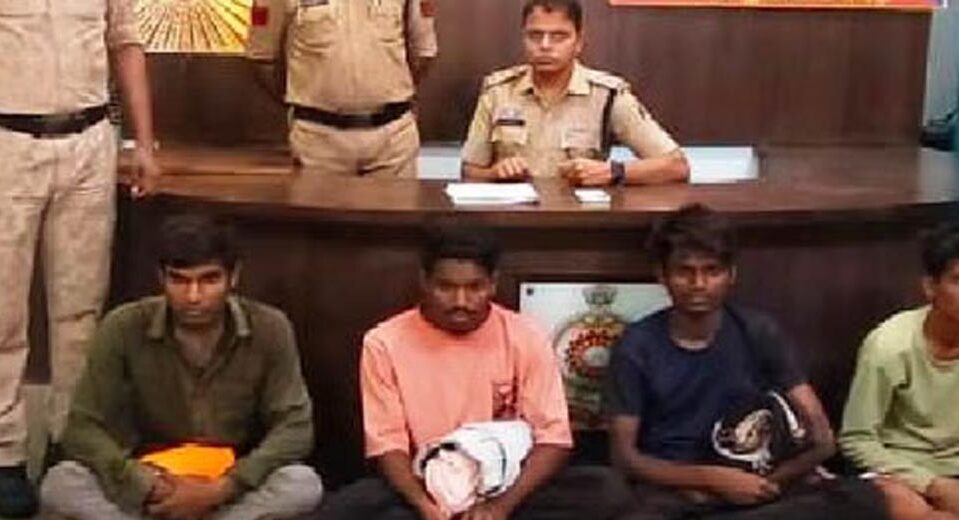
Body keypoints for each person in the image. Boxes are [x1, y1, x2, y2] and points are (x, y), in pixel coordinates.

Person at [323, 225, 631, 519]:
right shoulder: (383, 342)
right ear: (424, 282)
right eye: (446, 287)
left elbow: (554, 439)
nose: (461, 302)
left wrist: (500, 507)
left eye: (474, 287)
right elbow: (388, 445)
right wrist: (425, 506)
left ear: (493, 283)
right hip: (426, 484)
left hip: (505, 487)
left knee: (606, 490)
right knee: (350, 507)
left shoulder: (526, 335)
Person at [607, 204, 887, 519]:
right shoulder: (636, 346)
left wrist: (763, 485)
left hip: (758, 488)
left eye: (712, 271)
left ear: (731, 275)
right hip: (675, 492)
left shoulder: (758, 331)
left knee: (864, 499)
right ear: (662, 275)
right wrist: (710, 479)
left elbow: (823, 441)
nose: (699, 283)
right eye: (684, 271)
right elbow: (625, 458)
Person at [38, 214, 323, 520]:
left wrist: (224, 488)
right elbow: (82, 427)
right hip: (147, 480)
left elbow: (295, 427)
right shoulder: (123, 325)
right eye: (179, 280)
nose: (193, 296)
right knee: (62, 481)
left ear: (233, 277)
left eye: (209, 280)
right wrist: (146, 483)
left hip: (228, 485)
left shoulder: (270, 327)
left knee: (301, 484)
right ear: (161, 278)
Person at [0, 0, 160, 516]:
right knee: (3, 315)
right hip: (7, 143)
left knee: (81, 313)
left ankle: (70, 442)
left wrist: (144, 143)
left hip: (90, 143)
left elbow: (126, 43)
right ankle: (5, 454)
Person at [840, 222, 959, 520]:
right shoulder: (890, 345)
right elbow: (856, 439)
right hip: (902, 475)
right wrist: (934, 486)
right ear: (931, 287)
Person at [461, 0, 688, 187]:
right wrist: (494, 173)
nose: (545, 46)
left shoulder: (607, 95)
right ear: (524, 38)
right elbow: (469, 171)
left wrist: (612, 171)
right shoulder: (497, 91)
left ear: (578, 42)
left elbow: (676, 166)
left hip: (581, 220)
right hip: (512, 219)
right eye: (535, 35)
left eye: (559, 36)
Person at [246, 0, 438, 177]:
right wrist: (307, 104)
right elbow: (262, 59)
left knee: (397, 205)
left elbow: (423, 54)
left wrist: (385, 95)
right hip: (318, 144)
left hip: (393, 143)